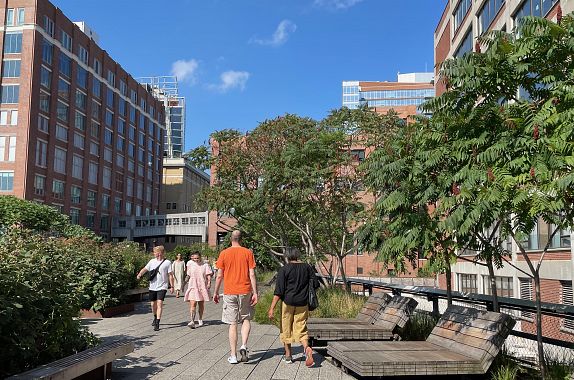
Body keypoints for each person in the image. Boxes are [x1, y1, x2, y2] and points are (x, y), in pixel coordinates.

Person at [267, 247, 317, 367]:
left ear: (287, 256)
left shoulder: (284, 269)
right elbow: (315, 284)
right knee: (301, 327)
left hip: (288, 303)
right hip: (303, 303)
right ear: (298, 255)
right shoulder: (307, 268)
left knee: (286, 328)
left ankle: (288, 356)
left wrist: (271, 308)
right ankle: (306, 348)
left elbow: (279, 291)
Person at [213, 230, 258, 364]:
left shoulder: (224, 253)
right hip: (245, 290)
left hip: (230, 291)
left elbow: (219, 275)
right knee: (245, 318)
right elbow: (252, 274)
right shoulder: (248, 253)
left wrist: (215, 292)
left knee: (233, 323)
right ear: (241, 239)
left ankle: (233, 356)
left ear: (230, 239)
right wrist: (255, 292)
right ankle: (243, 345)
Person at [136, 245, 174, 331]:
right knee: (153, 305)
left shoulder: (167, 262)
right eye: (154, 252)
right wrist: (140, 274)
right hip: (152, 286)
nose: (154, 254)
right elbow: (145, 269)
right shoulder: (152, 261)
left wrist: (172, 286)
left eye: (156, 252)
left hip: (162, 286)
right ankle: (155, 316)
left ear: (160, 253)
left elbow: (170, 275)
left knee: (159, 303)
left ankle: (157, 322)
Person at [184, 251, 213, 328]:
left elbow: (208, 275)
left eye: (197, 258)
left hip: (201, 285)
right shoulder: (190, 264)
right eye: (195, 258)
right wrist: (184, 283)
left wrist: (209, 282)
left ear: (200, 257)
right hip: (193, 285)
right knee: (193, 303)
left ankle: (200, 318)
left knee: (201, 304)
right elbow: (188, 274)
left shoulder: (205, 265)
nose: (196, 260)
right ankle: (192, 320)